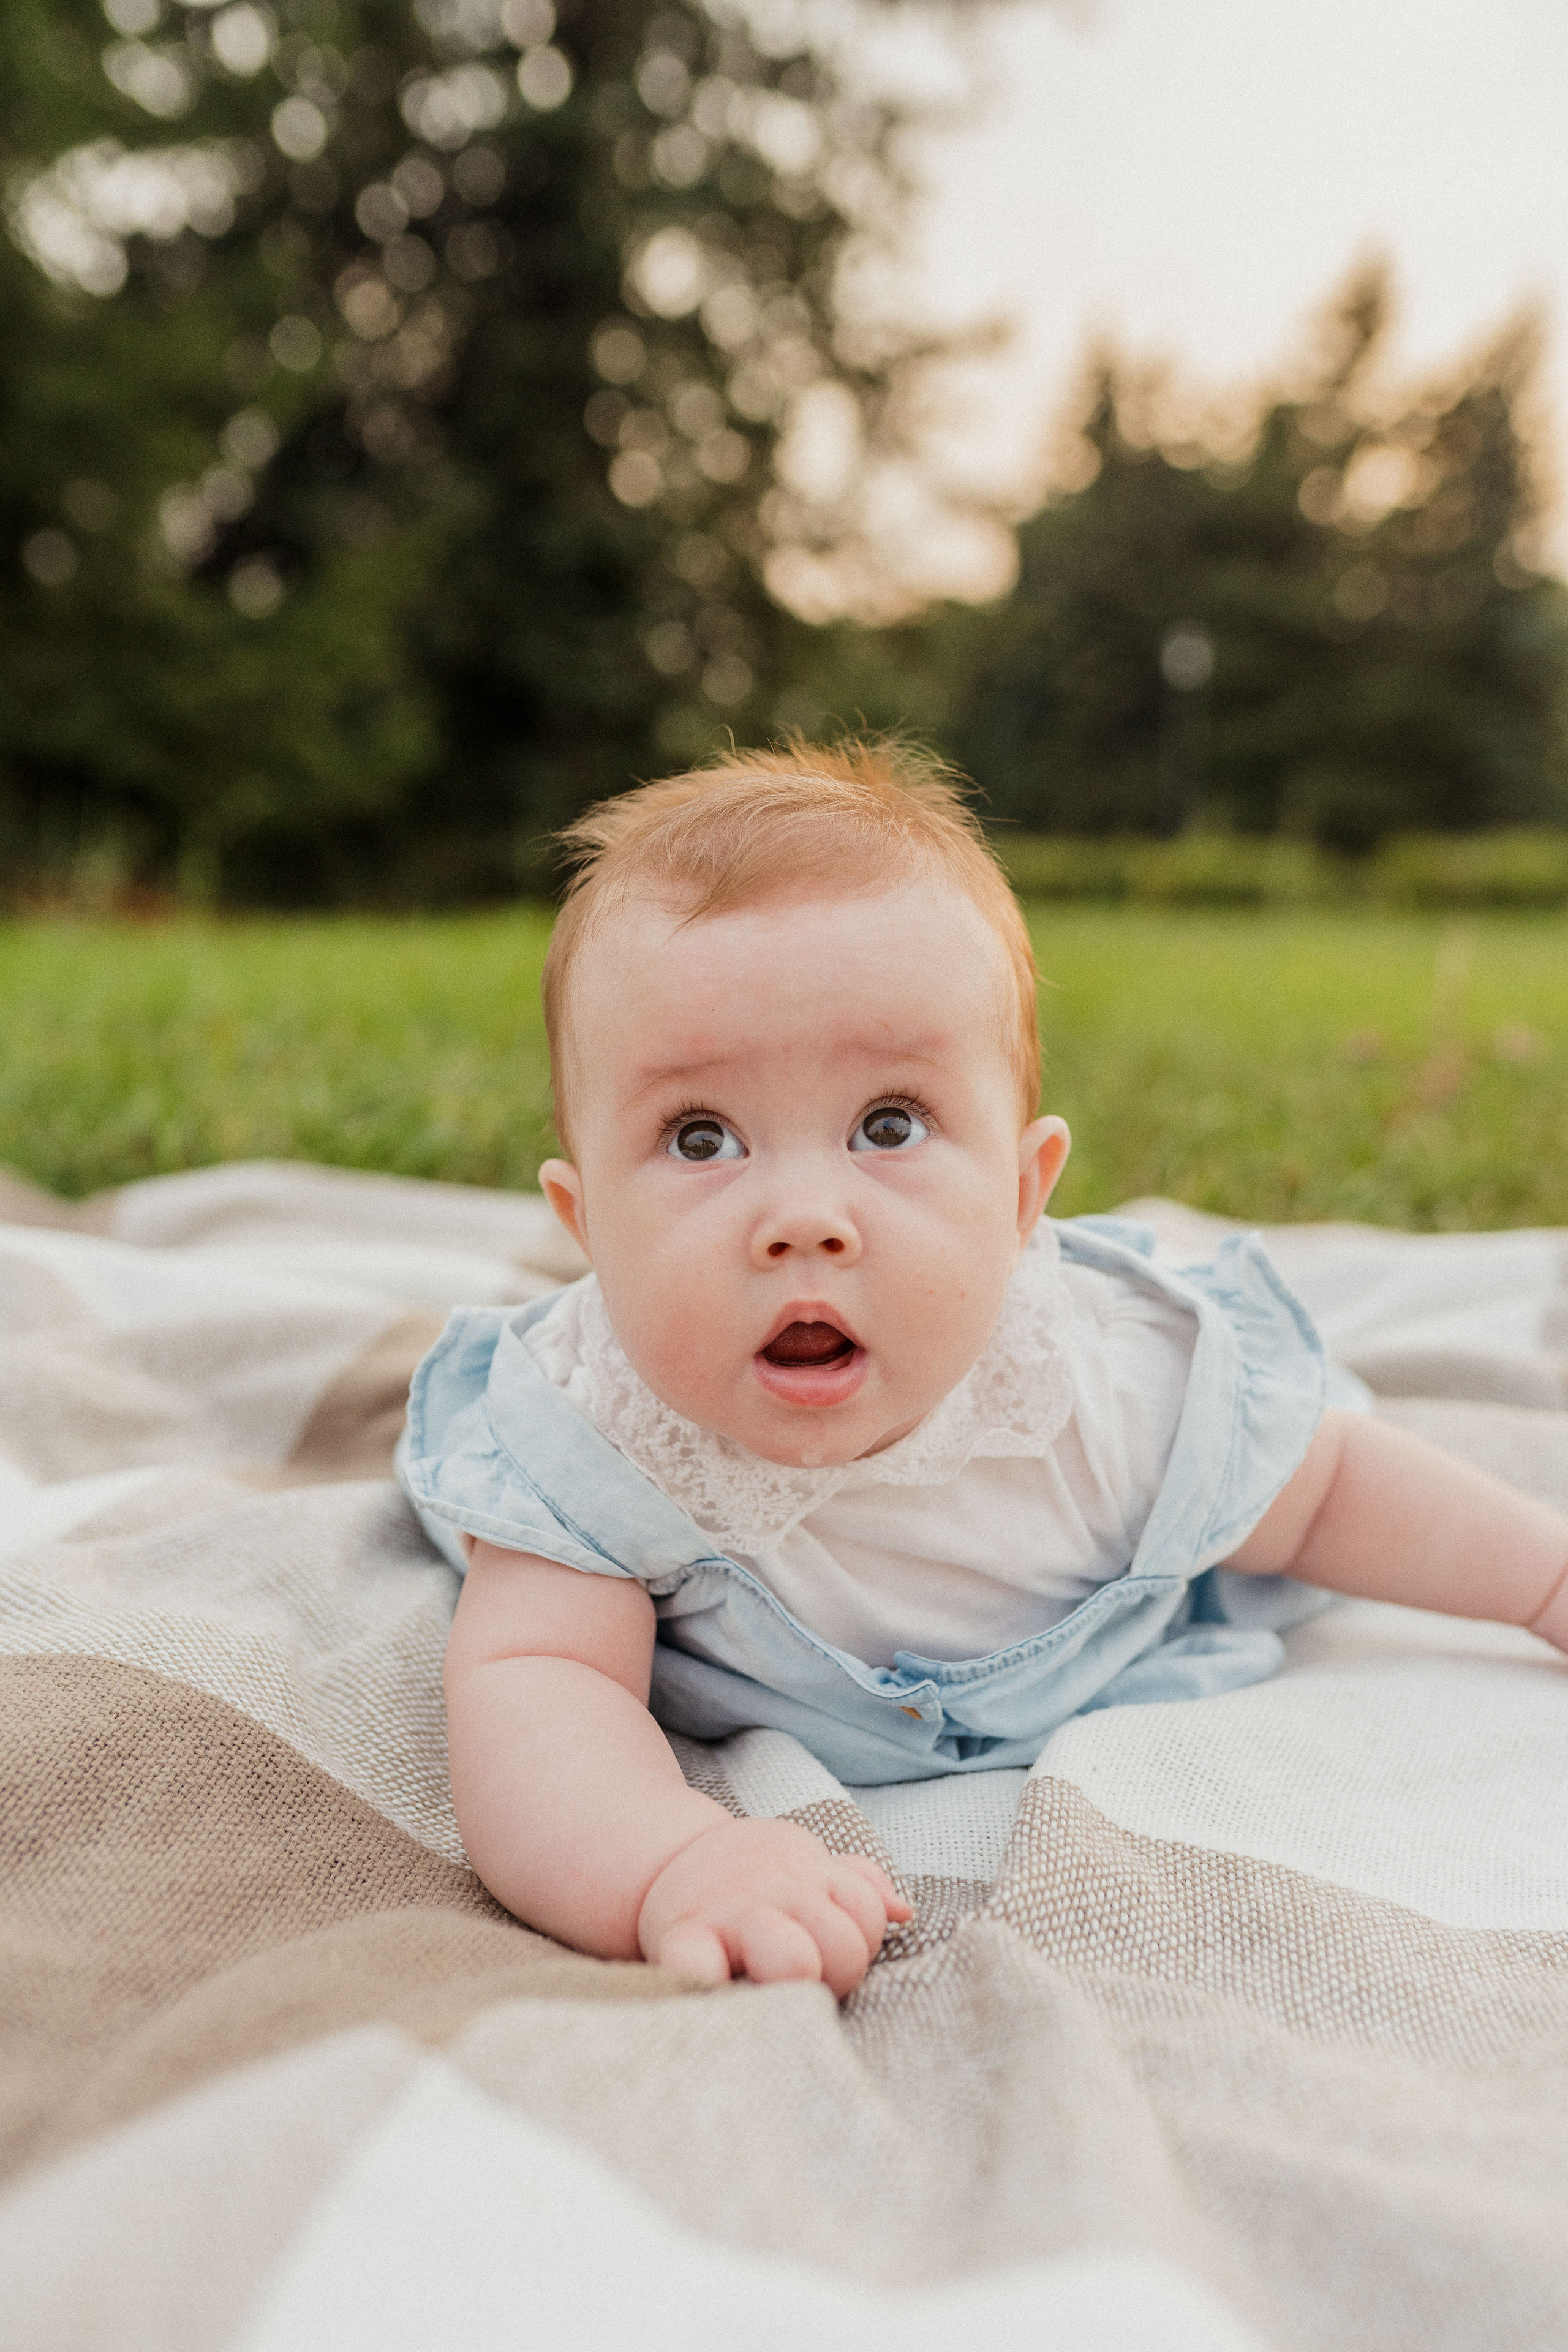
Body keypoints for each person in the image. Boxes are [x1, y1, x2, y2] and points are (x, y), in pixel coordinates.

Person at [398, 740, 1568, 1998]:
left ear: (1021, 1197)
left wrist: (1542, 1579)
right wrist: (668, 1862)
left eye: (886, 1127)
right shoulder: (592, 1436)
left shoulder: (1097, 1383)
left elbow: (1329, 1490)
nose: (802, 1216)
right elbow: (538, 1692)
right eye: (700, 1137)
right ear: (583, 1230)